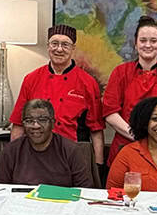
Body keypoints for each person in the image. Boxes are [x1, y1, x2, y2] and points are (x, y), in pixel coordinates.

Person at [9, 24, 104, 173]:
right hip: (35, 155)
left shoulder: (88, 82)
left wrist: (98, 166)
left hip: (73, 156)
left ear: (73, 48)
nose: (59, 49)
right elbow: (18, 124)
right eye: (54, 43)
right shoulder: (31, 79)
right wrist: (13, 160)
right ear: (48, 46)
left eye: (65, 44)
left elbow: (96, 130)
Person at [102, 16, 157, 169]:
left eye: (153, 41)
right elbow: (110, 112)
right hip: (125, 145)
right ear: (136, 44)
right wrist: (137, 136)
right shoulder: (120, 72)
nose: (148, 45)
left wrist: (155, 139)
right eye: (143, 40)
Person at [0, 99, 93, 187]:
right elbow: (1, 189)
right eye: (29, 121)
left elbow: (85, 191)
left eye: (42, 120)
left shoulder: (70, 151)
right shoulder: (11, 151)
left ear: (53, 123)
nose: (35, 126)